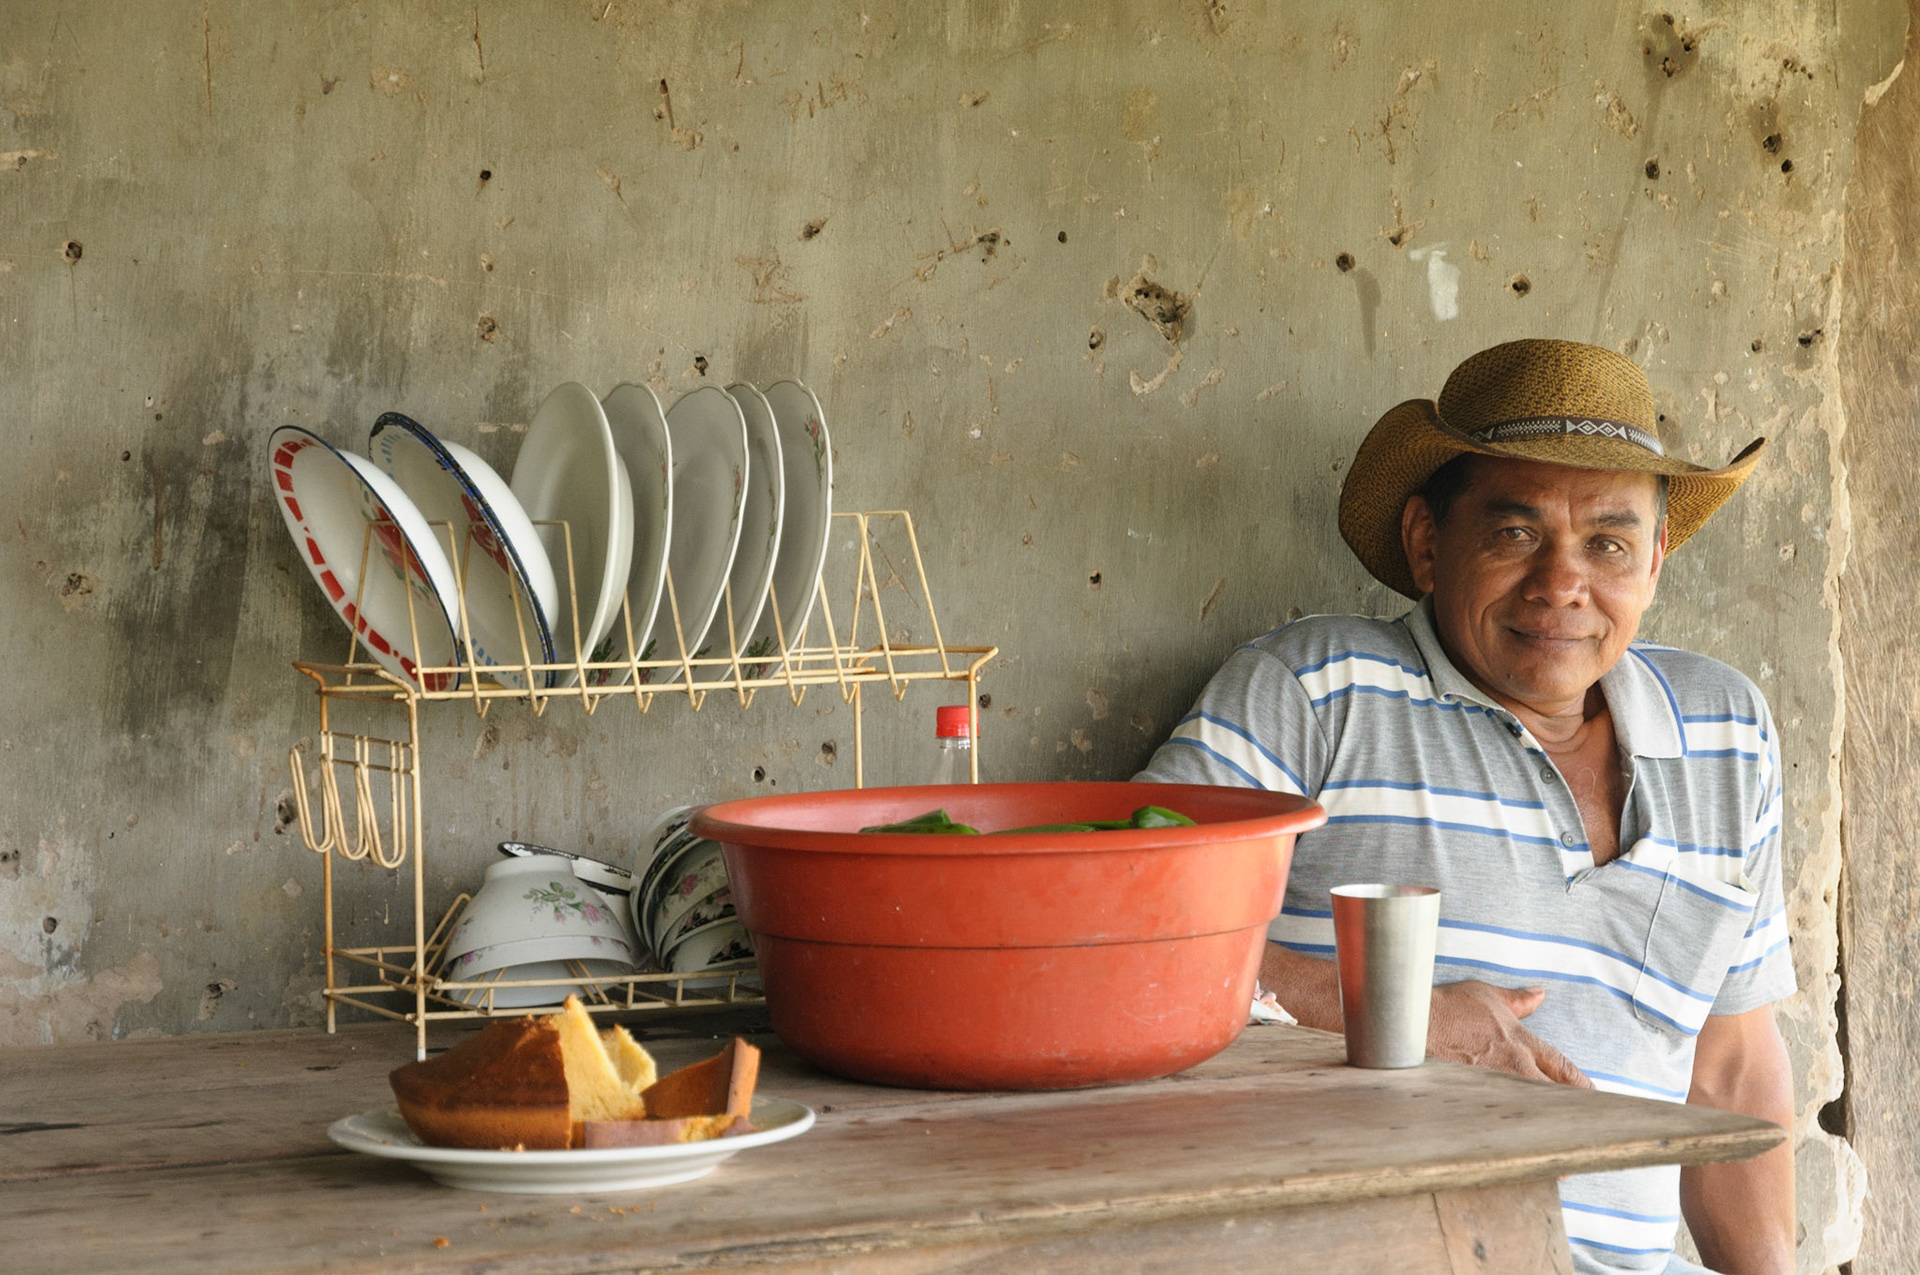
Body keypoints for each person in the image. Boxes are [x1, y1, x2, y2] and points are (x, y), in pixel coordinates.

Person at [1138, 339, 1794, 1275]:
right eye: (1515, 533)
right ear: (1426, 544)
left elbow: (1731, 1066)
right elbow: (1119, 925)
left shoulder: (1729, 733)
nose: (1562, 583)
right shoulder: (1319, 689)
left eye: (1606, 542)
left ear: (1655, 561)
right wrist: (1390, 1016)